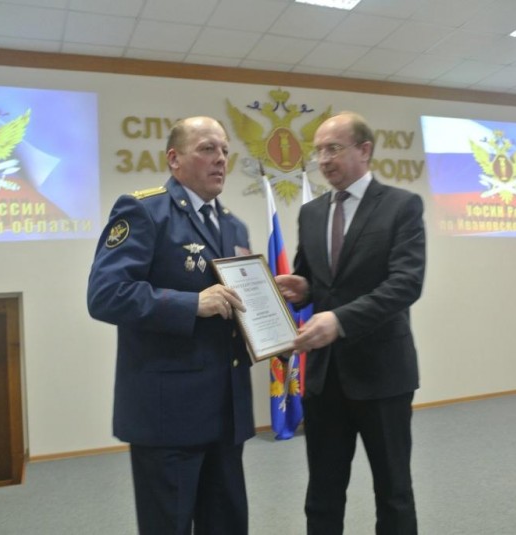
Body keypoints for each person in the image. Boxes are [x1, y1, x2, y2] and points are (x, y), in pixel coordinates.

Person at [87, 116, 255, 534]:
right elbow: (106, 294)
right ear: (174, 159)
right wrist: (191, 304)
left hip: (226, 412)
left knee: (227, 525)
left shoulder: (233, 224)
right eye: (207, 149)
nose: (221, 159)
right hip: (168, 416)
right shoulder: (144, 210)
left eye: (225, 151)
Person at [276, 111, 426, 534]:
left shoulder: (401, 206)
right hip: (325, 378)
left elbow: (405, 284)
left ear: (364, 150)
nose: (323, 160)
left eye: (333, 149)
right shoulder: (310, 213)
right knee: (322, 495)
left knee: (394, 492)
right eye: (318, 152)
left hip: (383, 375)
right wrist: (302, 287)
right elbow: (318, 281)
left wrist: (339, 321)